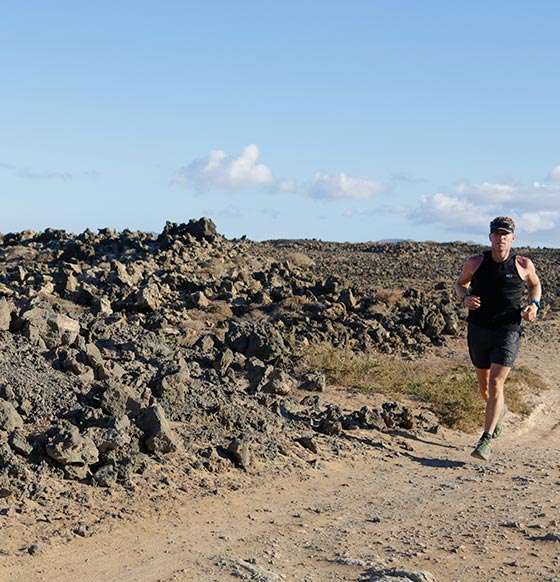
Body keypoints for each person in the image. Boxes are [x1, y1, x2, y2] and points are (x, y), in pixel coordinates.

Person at [455, 216, 541, 461]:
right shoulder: (475, 262)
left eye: (506, 234)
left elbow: (535, 285)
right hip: (479, 329)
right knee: (484, 387)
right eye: (497, 234)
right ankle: (499, 410)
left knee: (495, 384)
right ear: (490, 237)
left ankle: (485, 440)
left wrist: (533, 305)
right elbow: (460, 285)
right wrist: (464, 299)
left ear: (512, 238)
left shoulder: (523, 264)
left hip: (508, 330)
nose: (501, 238)